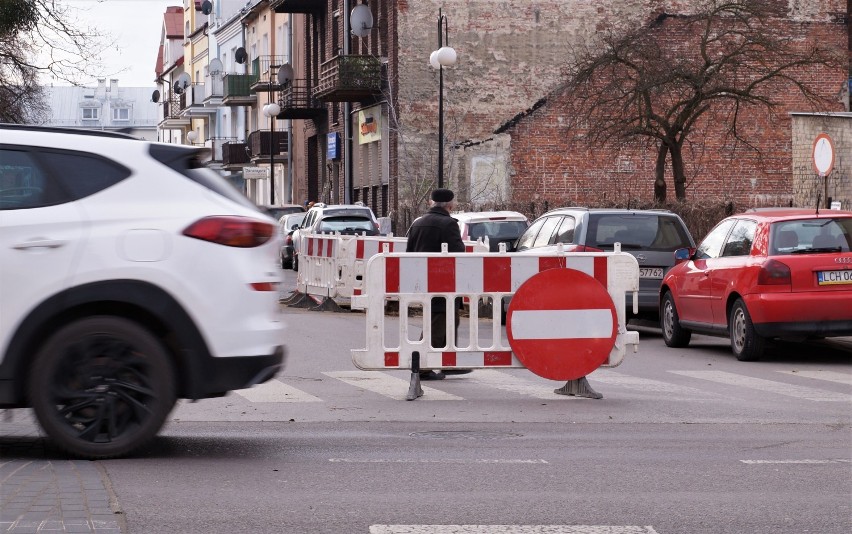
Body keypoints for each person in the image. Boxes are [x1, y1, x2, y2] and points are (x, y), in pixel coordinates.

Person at [406, 188, 472, 380]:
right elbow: (458, 254)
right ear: (450, 205)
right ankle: (423, 368)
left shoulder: (418, 223)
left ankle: (448, 363)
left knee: (449, 320)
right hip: (443, 282)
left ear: (430, 202)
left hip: (423, 280)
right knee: (438, 323)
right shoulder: (448, 224)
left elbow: (409, 252)